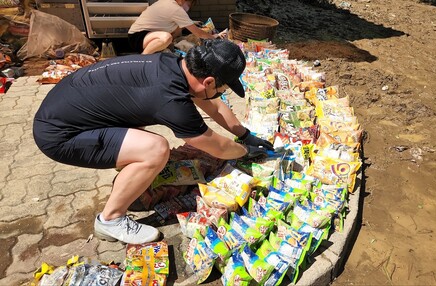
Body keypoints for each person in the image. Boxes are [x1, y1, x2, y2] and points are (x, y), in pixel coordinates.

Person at [33, 39, 273, 244]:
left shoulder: (175, 64)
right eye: (222, 88)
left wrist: (245, 134)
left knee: (141, 127)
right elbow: (217, 147)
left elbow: (215, 106)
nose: (221, 94)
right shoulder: (171, 99)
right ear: (208, 81)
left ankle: (130, 169)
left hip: (66, 110)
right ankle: (110, 220)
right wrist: (243, 150)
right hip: (61, 135)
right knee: (155, 149)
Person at [128, 0, 226, 54]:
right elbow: (199, 33)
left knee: (178, 29)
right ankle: (143, 58)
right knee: (166, 38)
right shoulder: (176, 9)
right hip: (138, 37)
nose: (189, 7)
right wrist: (214, 37)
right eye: (190, 4)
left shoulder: (169, 2)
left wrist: (193, 22)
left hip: (145, 34)